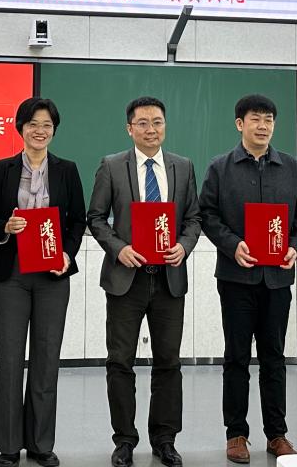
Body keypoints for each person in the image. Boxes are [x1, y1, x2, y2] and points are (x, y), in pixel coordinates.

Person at [199, 93, 297, 463]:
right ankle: (236, 434)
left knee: (274, 358)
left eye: (269, 120)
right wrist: (232, 245)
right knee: (236, 357)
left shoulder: (290, 166)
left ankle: (277, 434)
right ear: (240, 124)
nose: (263, 126)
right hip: (236, 278)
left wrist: (296, 246)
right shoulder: (220, 167)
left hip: (277, 279)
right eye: (255, 119)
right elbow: (207, 214)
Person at [87, 96, 202, 467]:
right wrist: (118, 248)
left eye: (157, 122)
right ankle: (124, 440)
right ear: (129, 128)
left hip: (169, 279)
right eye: (143, 123)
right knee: (120, 362)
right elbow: (96, 217)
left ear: (165, 125)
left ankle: (165, 440)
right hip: (126, 279)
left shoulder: (183, 166)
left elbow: (194, 218)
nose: (151, 129)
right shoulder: (111, 165)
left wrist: (184, 246)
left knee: (168, 362)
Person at [0, 97, 87, 467]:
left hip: (52, 275)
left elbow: (77, 220)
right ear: (20, 127)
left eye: (47, 125)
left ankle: (41, 443)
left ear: (54, 130)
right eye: (33, 124)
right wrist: (5, 226)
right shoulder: (3, 168)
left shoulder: (67, 170)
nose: (40, 131)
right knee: (10, 359)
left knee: (46, 359)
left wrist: (67, 254)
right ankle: (8, 445)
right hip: (11, 273)